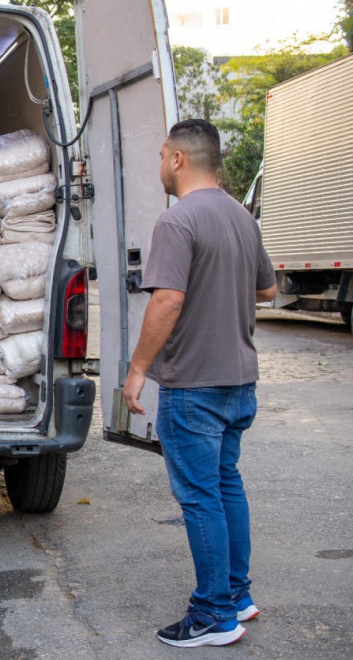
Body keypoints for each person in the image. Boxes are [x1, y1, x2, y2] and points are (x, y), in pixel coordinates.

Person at [122, 119, 276, 648]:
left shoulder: (178, 221)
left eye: (162, 154)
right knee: (225, 483)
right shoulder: (241, 217)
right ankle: (238, 595)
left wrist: (138, 368)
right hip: (239, 381)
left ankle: (213, 614)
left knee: (200, 495)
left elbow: (167, 299)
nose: (160, 165)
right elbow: (269, 291)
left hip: (194, 385)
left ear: (180, 159)